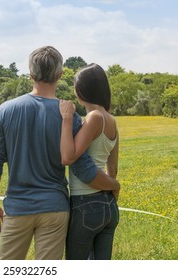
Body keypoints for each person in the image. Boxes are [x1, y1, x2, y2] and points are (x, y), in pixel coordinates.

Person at [0, 46, 120, 260]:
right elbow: (84, 170)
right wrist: (114, 185)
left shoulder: (6, 110)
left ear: (30, 75)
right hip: (55, 209)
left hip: (18, 208)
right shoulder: (70, 116)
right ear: (60, 75)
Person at [59, 63, 120, 260]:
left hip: (85, 204)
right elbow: (114, 170)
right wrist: (111, 193)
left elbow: (69, 156)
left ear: (82, 90)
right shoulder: (112, 120)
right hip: (109, 206)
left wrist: (67, 118)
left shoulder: (94, 117)